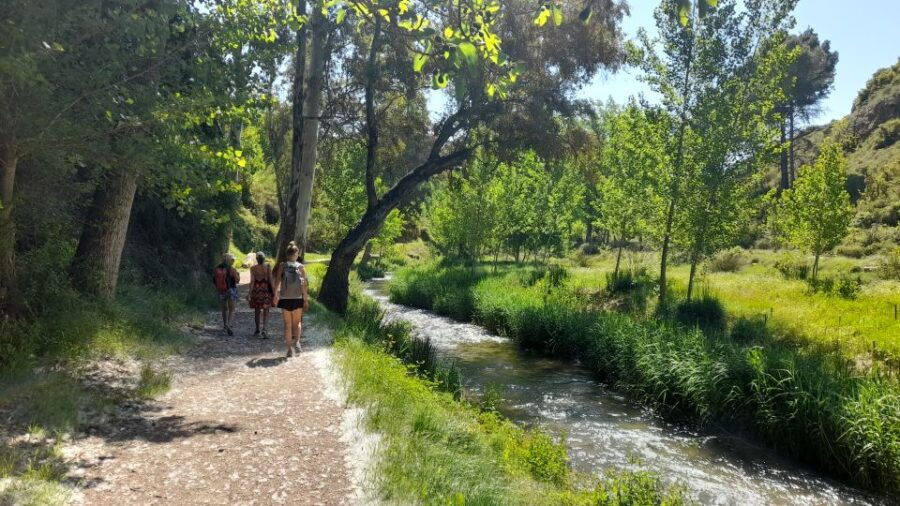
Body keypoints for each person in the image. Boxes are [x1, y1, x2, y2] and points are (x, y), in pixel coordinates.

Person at [271, 241, 309, 357]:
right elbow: (304, 285)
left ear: (287, 254)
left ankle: (289, 350)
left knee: (287, 325)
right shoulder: (301, 267)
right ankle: (297, 342)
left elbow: (277, 281)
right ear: (297, 254)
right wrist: (305, 300)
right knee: (297, 323)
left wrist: (275, 295)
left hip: (285, 298)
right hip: (297, 298)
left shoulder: (282, 266)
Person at [213, 253, 241, 336]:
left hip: (221, 290)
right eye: (232, 260)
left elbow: (214, 280)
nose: (233, 261)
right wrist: (238, 275)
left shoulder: (217, 268)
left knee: (224, 309)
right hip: (231, 290)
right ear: (229, 260)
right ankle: (229, 325)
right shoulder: (232, 269)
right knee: (232, 309)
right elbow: (237, 280)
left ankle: (225, 325)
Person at [247, 251, 273, 338]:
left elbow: (252, 282)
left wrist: (249, 293)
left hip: (256, 291)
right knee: (266, 311)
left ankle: (257, 329)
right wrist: (274, 292)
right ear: (264, 258)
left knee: (257, 311)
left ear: (257, 259)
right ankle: (265, 329)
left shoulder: (253, 268)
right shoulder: (268, 267)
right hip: (265, 291)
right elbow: (270, 281)